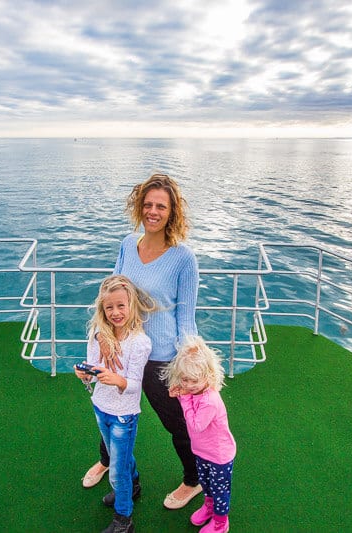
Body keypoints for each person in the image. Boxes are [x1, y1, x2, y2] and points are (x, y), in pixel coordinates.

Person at [81, 173, 203, 510]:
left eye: (160, 206)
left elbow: (187, 319)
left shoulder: (183, 258)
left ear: (171, 211)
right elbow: (111, 294)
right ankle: (111, 465)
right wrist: (104, 336)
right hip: (121, 348)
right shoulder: (126, 244)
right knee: (107, 410)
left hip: (161, 358)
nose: (153, 211)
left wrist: (188, 365)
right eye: (148, 204)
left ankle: (193, 480)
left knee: (175, 424)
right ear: (140, 207)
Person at [75, 275, 156, 533]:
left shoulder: (140, 342)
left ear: (131, 305)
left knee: (115, 472)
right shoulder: (97, 335)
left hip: (124, 415)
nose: (116, 312)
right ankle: (133, 487)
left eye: (121, 306)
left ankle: (124, 521)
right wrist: (86, 374)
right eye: (109, 307)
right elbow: (92, 370)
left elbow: (134, 385)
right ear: (102, 309)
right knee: (118, 456)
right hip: (100, 407)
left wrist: (118, 381)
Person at [163, 336, 236, 533]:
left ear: (208, 376)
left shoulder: (210, 400)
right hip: (202, 451)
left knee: (220, 491)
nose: (189, 385)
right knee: (205, 484)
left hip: (219, 456)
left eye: (195, 380)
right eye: (185, 380)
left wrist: (183, 398)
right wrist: (184, 395)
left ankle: (221, 522)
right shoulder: (194, 393)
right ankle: (208, 507)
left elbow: (196, 425)